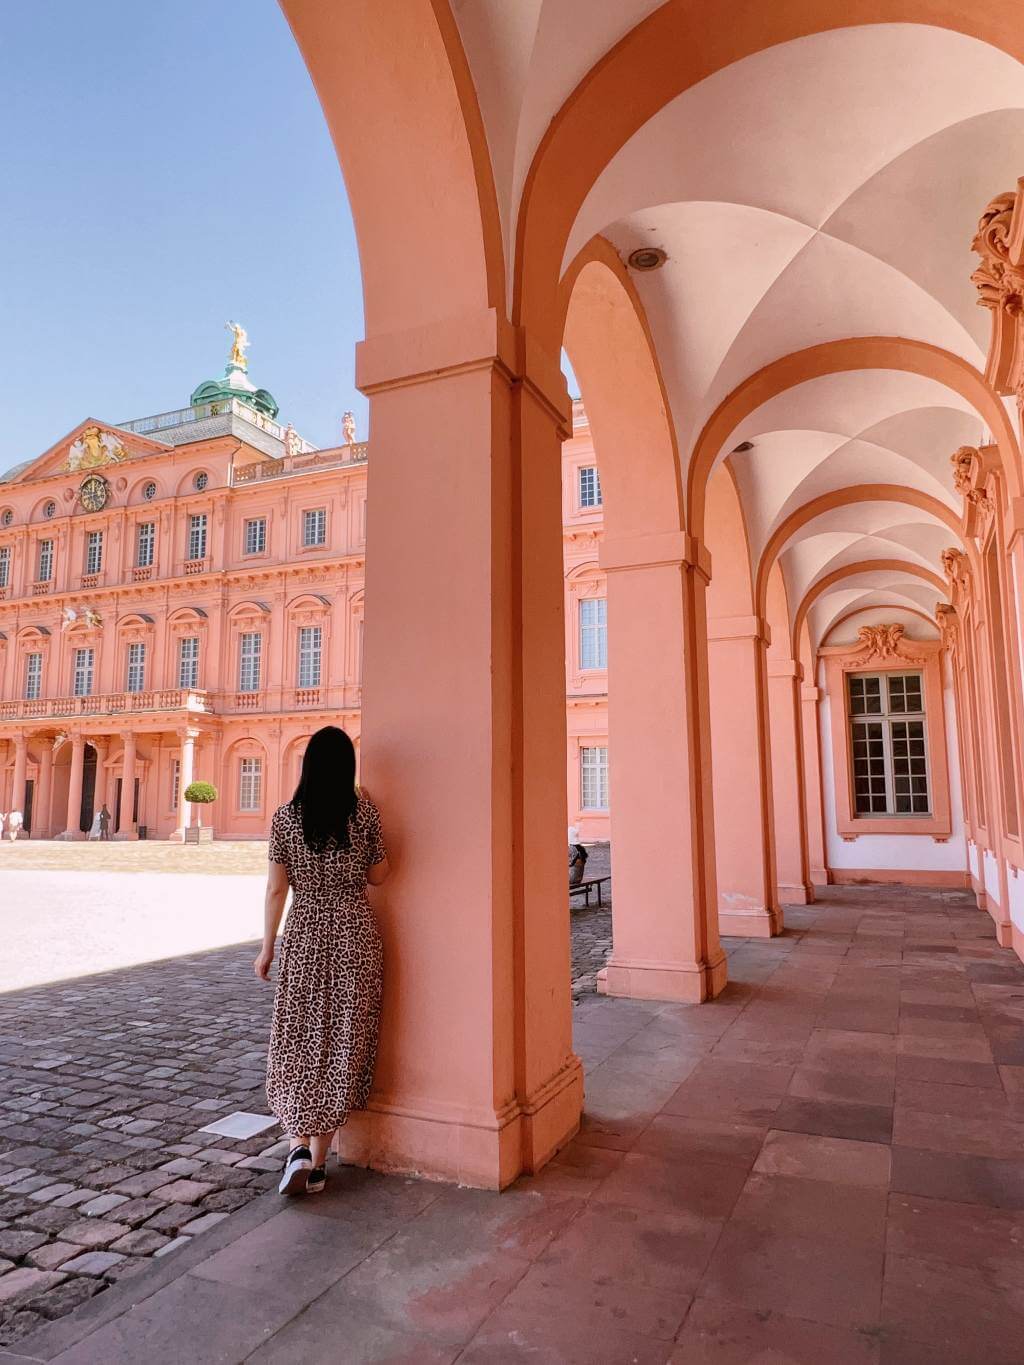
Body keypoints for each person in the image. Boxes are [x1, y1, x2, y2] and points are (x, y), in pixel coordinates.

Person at [255, 726, 389, 1196]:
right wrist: (369, 816)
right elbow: (380, 876)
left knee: (298, 1038)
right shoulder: (363, 814)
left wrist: (267, 946)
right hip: (355, 935)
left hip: (305, 933)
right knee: (342, 1041)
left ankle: (296, 1143)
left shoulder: (285, 819)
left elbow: (276, 889)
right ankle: (317, 1163)